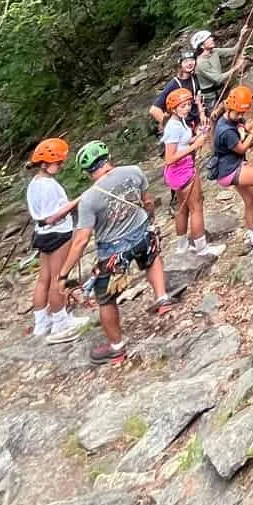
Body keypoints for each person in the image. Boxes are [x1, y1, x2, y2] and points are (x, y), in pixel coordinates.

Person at [59, 141, 175, 366]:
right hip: (141, 231)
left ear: (86, 171)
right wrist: (148, 218)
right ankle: (162, 299)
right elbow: (147, 200)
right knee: (151, 259)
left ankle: (116, 347)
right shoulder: (133, 171)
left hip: (113, 249)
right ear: (108, 157)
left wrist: (63, 274)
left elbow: (81, 240)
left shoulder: (89, 199)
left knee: (106, 299)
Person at [25, 138, 88, 343]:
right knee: (57, 278)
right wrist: (79, 200)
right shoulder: (48, 186)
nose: (61, 166)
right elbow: (53, 216)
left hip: (42, 234)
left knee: (44, 278)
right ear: (45, 164)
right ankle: (60, 322)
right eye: (58, 163)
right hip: (58, 233)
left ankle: (41, 323)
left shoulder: (34, 184)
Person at [208, 87, 253, 248]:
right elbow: (242, 148)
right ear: (231, 107)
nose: (241, 116)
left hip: (228, 170)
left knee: (251, 199)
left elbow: (245, 127)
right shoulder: (225, 130)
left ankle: (252, 237)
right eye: (239, 113)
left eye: (242, 113)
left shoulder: (231, 117)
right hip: (230, 171)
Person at [161, 88, 223, 260]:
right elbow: (170, 157)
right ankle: (202, 248)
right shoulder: (173, 126)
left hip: (179, 171)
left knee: (183, 208)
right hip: (181, 170)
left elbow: (183, 142)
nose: (187, 108)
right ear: (173, 108)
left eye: (188, 104)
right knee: (196, 207)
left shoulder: (179, 121)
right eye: (182, 106)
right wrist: (195, 146)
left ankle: (182, 246)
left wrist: (197, 136)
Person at [148, 50, 205, 133]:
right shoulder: (174, 84)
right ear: (180, 65)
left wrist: (202, 114)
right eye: (185, 61)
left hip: (197, 120)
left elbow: (198, 99)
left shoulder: (195, 77)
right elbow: (154, 110)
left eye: (192, 60)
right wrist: (171, 127)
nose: (189, 63)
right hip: (184, 126)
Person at [190, 29, 242, 117]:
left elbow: (234, 51)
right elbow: (218, 79)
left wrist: (241, 36)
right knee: (216, 118)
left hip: (221, 90)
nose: (212, 39)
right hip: (210, 98)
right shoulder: (200, 63)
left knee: (230, 114)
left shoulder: (214, 51)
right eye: (208, 39)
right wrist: (236, 68)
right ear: (202, 46)